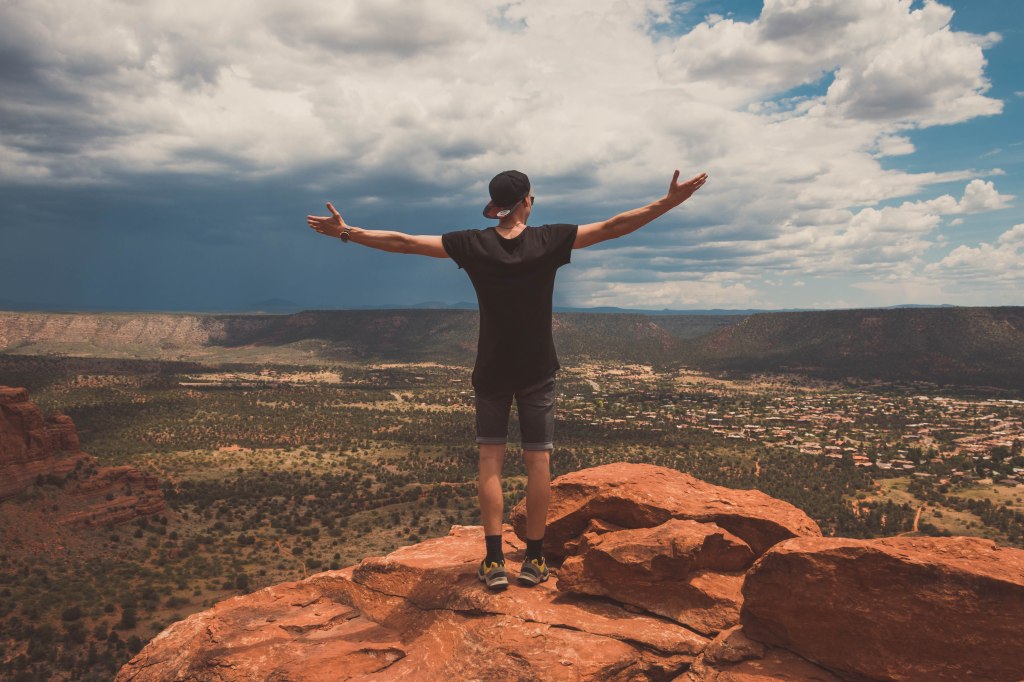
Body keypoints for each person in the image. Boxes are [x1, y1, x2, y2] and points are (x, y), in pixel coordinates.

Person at [306, 168, 708, 590]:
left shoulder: (473, 244)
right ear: (526, 203)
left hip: (492, 369)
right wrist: (667, 203)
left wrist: (347, 232)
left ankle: (494, 560)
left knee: (489, 462)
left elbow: (406, 243)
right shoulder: (549, 239)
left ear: (497, 207)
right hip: (537, 369)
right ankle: (534, 560)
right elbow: (613, 226)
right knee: (539, 463)